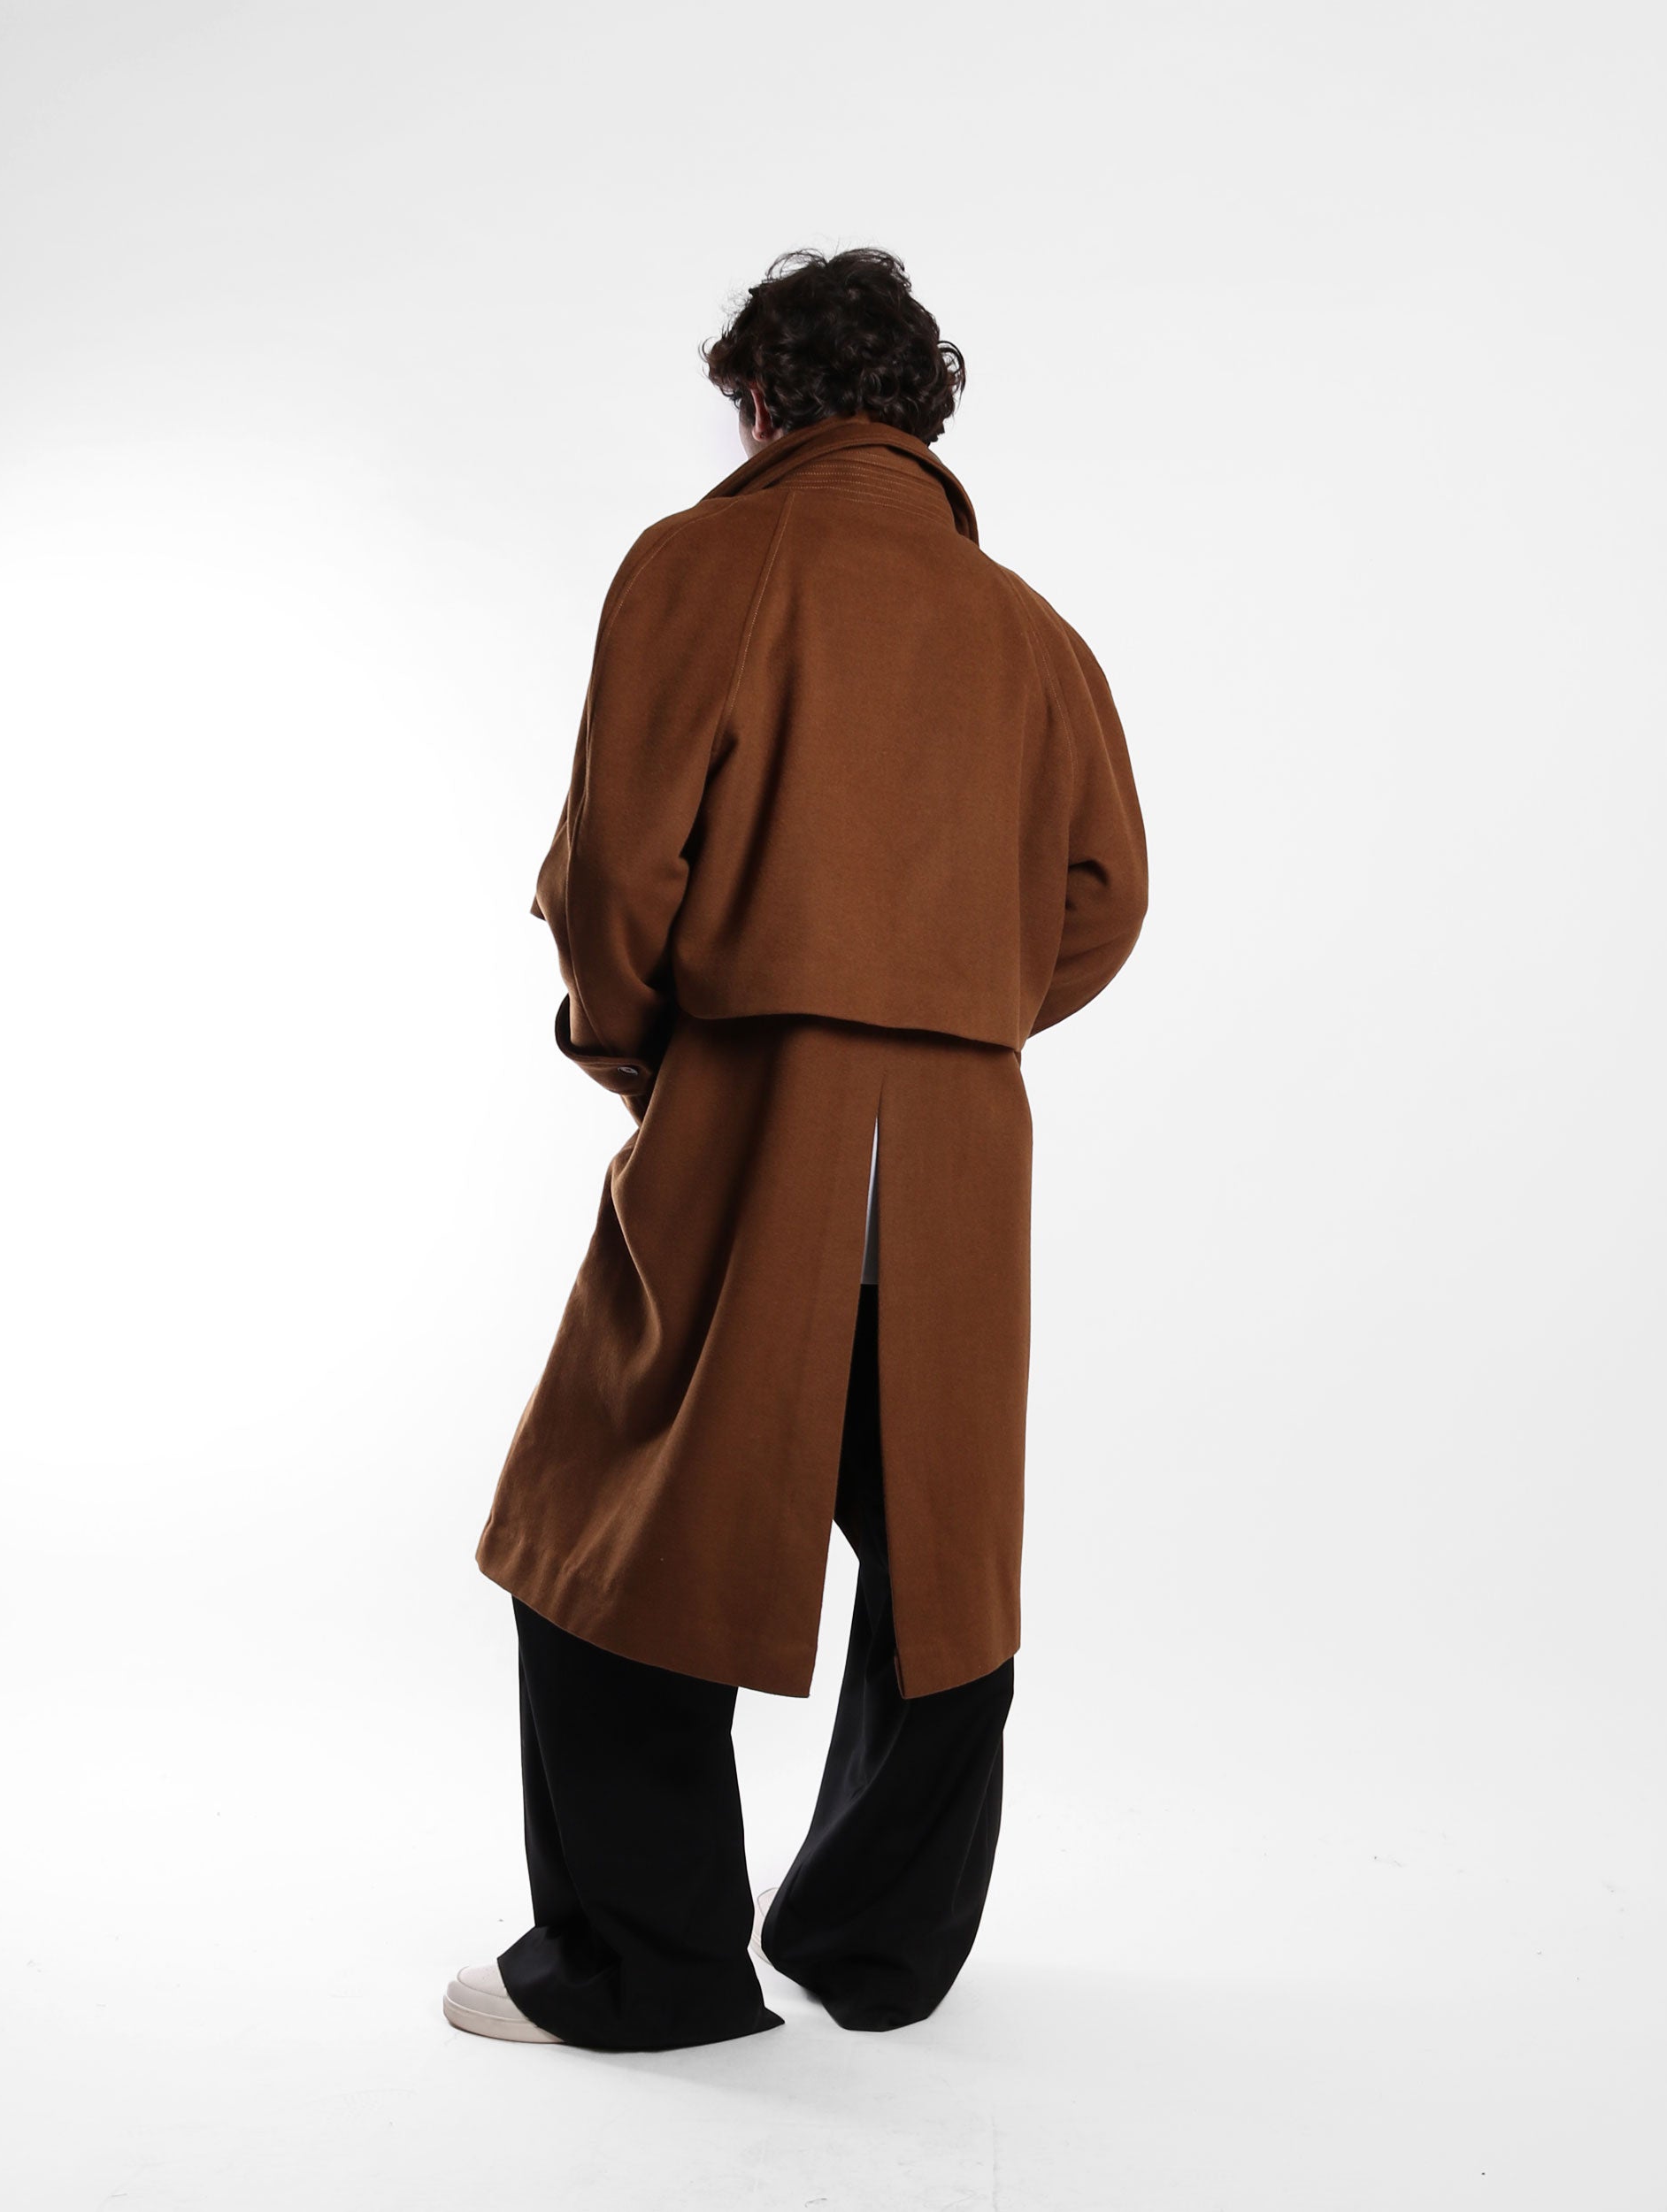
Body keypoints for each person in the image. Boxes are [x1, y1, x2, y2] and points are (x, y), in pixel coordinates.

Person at [443, 247, 1149, 2053]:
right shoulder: (1033, 633)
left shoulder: (703, 562)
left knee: (611, 1516)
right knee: (940, 1545)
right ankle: (877, 1947)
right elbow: (1105, 896)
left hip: (761, 1106)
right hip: (965, 1143)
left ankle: (648, 1969)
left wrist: (643, 1053)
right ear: (920, 415)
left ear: (760, 404)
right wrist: (952, 1003)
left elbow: (615, 874)